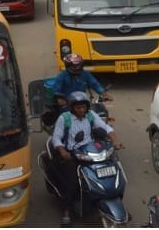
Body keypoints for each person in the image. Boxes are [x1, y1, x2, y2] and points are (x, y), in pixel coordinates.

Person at [51, 91, 122, 226]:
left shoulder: (90, 115)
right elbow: (56, 137)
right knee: (72, 183)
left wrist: (115, 140)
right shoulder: (64, 118)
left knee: (110, 169)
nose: (81, 110)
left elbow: (105, 127)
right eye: (78, 107)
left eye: (83, 107)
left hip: (90, 151)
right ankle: (66, 213)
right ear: (72, 107)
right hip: (73, 154)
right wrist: (62, 150)